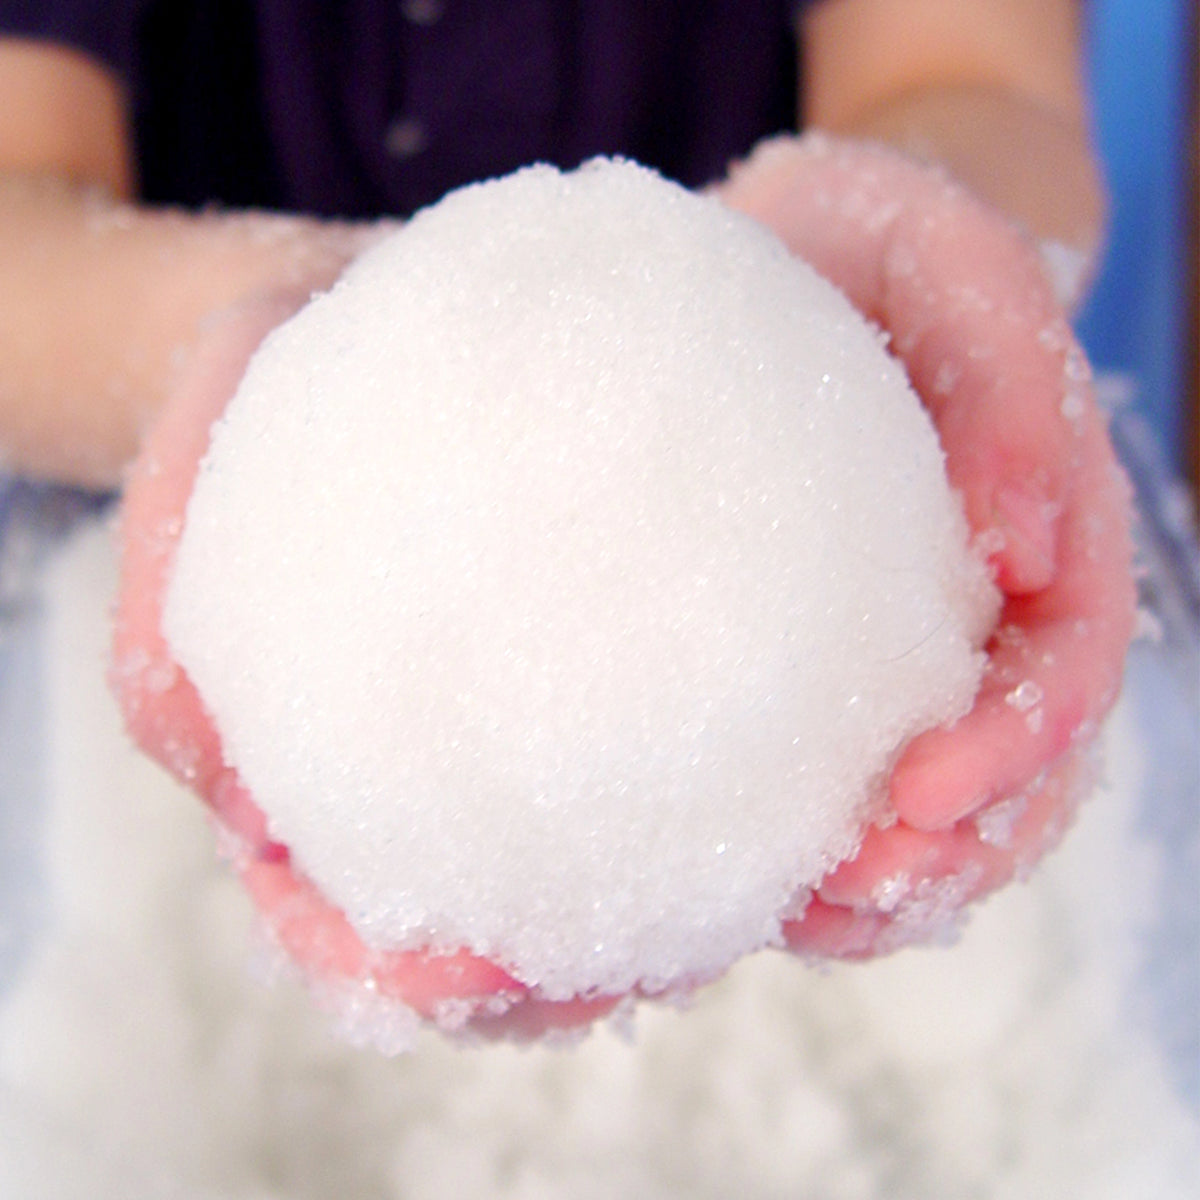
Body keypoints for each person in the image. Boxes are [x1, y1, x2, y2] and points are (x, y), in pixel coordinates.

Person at [0, 0, 1135, 1035]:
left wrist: (915, 226)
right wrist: (287, 349)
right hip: (198, 612)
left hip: (816, 582)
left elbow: (971, 75)